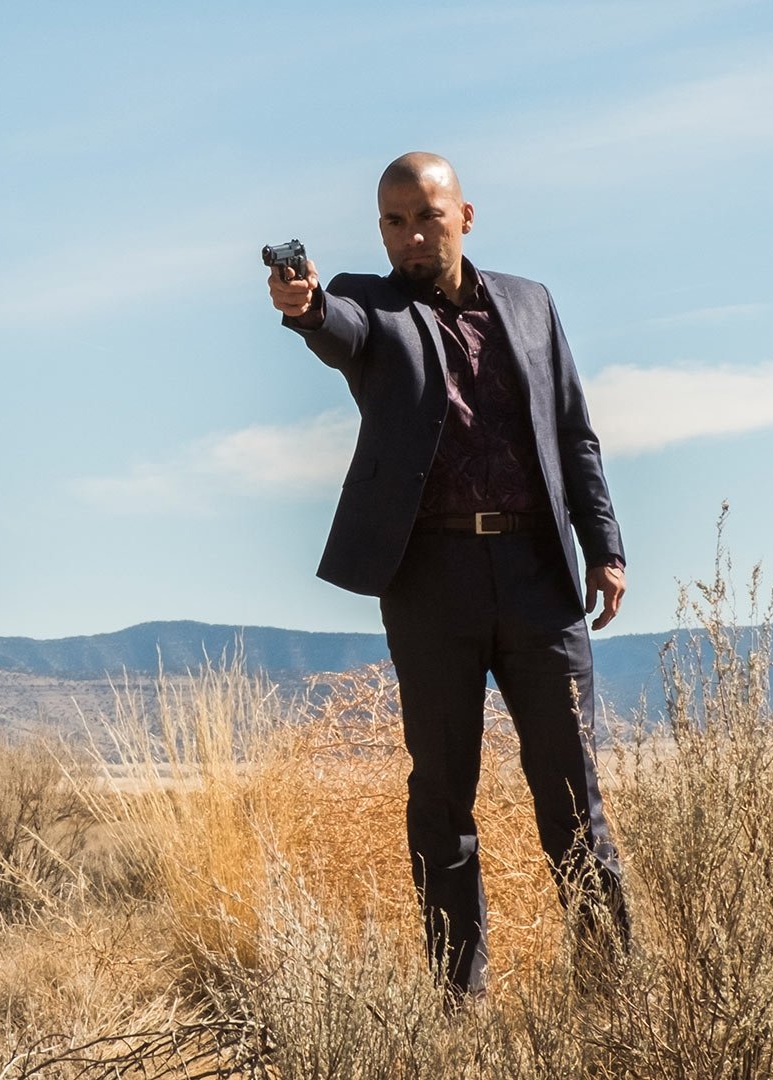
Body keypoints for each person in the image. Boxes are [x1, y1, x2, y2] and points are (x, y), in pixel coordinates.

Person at [267, 153, 629, 997]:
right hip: (432, 582)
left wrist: (605, 548)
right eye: (394, 222)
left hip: (539, 576)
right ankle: (458, 1009)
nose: (412, 236)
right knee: (442, 798)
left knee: (572, 794)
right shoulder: (369, 302)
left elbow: (573, 431)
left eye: (427, 217)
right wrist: (306, 305)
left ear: (464, 215)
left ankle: (613, 996)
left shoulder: (531, 304)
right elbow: (338, 328)